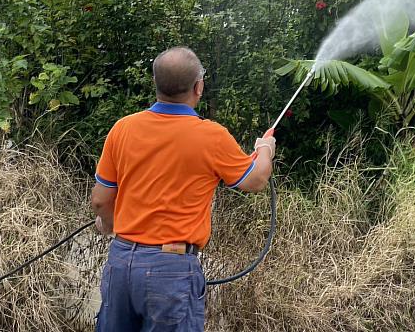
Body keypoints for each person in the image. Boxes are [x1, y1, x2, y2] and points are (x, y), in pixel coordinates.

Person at [91, 46, 276, 331]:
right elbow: (255, 180)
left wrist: (112, 226)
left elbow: (101, 201)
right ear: (198, 87)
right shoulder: (211, 136)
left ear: (156, 84)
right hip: (171, 271)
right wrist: (265, 150)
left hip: (120, 263)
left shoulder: (123, 129)